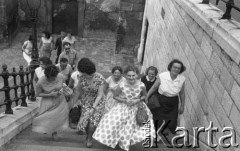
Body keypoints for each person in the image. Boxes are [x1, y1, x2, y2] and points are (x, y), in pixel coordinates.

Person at [93, 66, 155, 151]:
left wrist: (138, 99)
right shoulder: (122, 85)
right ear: (125, 76)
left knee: (132, 127)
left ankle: (125, 144)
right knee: (116, 124)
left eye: (133, 75)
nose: (131, 77)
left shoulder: (141, 85)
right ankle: (118, 142)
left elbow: (145, 95)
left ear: (137, 75)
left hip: (136, 108)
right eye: (129, 75)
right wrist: (124, 100)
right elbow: (115, 96)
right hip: (123, 107)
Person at [145, 59, 186, 144]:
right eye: (174, 67)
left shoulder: (182, 79)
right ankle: (156, 135)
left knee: (172, 121)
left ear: (180, 70)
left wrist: (182, 105)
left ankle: (163, 132)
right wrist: (147, 97)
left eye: (179, 68)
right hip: (161, 100)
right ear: (170, 67)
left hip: (173, 101)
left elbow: (182, 93)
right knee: (158, 119)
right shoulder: (162, 76)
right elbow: (154, 87)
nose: (176, 69)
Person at [72, 58, 105, 148]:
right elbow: (78, 90)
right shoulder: (81, 77)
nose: (86, 76)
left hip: (98, 102)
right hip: (86, 100)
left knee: (93, 123)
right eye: (84, 73)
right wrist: (74, 103)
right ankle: (88, 135)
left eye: (88, 74)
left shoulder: (100, 78)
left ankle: (89, 138)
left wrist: (93, 108)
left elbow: (100, 95)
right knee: (86, 121)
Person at [32, 65, 69, 140]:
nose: (55, 78)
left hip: (60, 100)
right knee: (50, 117)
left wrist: (63, 89)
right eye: (53, 77)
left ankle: (54, 131)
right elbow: (37, 94)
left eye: (55, 76)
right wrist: (50, 94)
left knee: (58, 117)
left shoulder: (60, 76)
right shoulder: (41, 82)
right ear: (47, 76)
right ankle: (53, 132)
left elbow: (63, 84)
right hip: (48, 101)